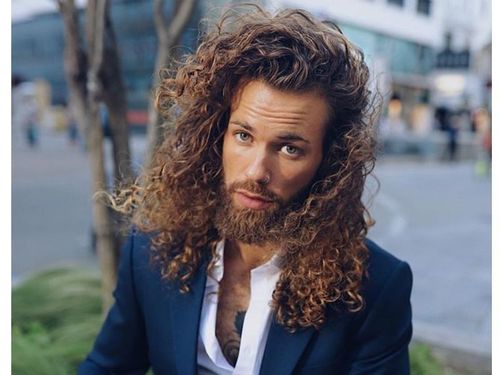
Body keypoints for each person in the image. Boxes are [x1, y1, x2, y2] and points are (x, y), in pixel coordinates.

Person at [79, 7, 412, 375]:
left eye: (290, 149)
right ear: (216, 135)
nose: (256, 172)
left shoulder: (374, 289)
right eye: (243, 136)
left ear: (329, 162)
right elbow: (106, 367)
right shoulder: (153, 250)